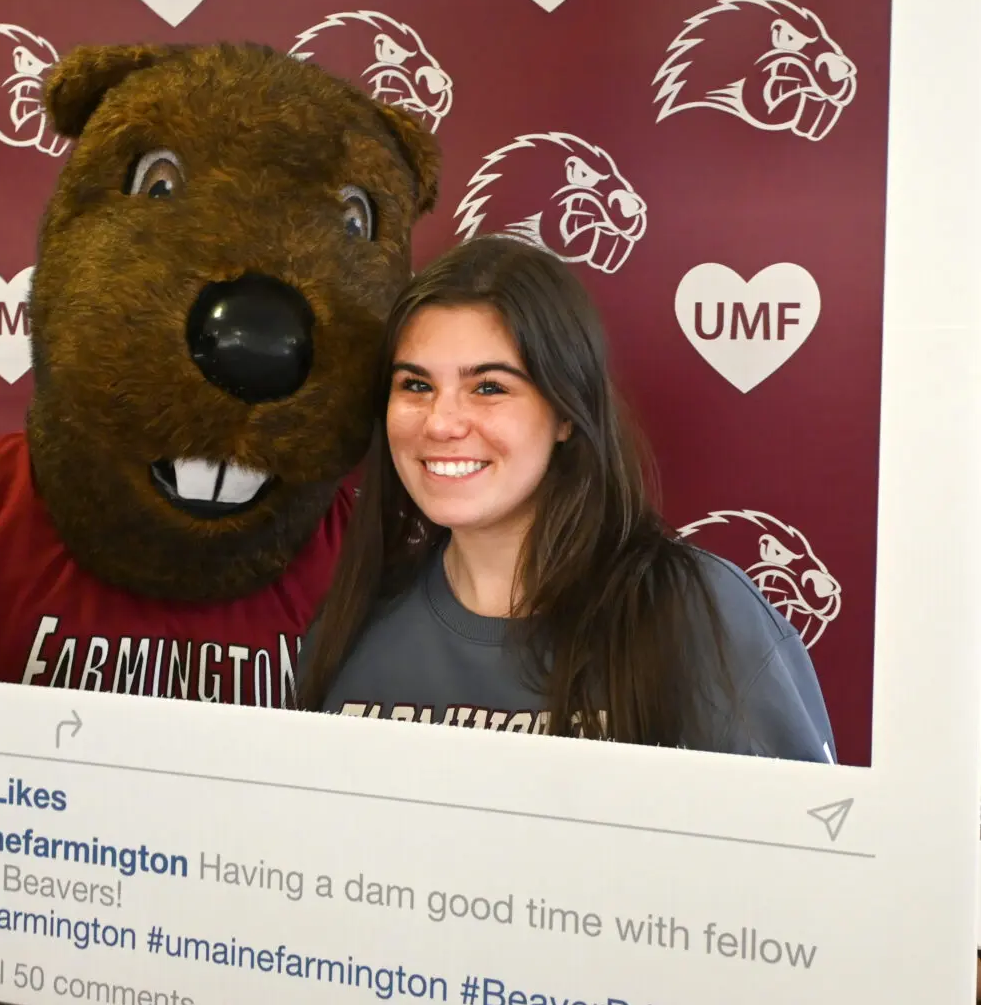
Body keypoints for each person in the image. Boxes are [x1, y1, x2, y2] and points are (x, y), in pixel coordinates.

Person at [295, 235, 834, 761]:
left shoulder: (701, 618)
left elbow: (804, 824)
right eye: (416, 385)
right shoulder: (354, 624)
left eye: (489, 387)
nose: (440, 423)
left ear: (566, 414)